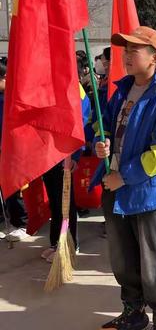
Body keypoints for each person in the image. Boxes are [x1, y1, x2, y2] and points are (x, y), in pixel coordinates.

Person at [92, 26, 156, 330]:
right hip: (114, 185)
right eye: (125, 50)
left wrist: (125, 177)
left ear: (155, 58)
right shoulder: (122, 89)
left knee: (153, 262)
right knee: (123, 259)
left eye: (134, 50)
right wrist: (99, 141)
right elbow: (102, 123)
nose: (126, 56)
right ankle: (133, 311)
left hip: (146, 193)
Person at [41, 64, 91, 262]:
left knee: (65, 203)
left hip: (66, 156)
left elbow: (80, 126)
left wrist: (76, 157)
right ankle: (55, 243)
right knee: (54, 201)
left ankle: (70, 244)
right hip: (50, 154)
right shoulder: (55, 88)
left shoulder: (75, 91)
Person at [0, 60, 29, 242]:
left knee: (13, 187)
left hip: (11, 149)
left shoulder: (12, 99)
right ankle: (6, 219)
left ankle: (21, 223)